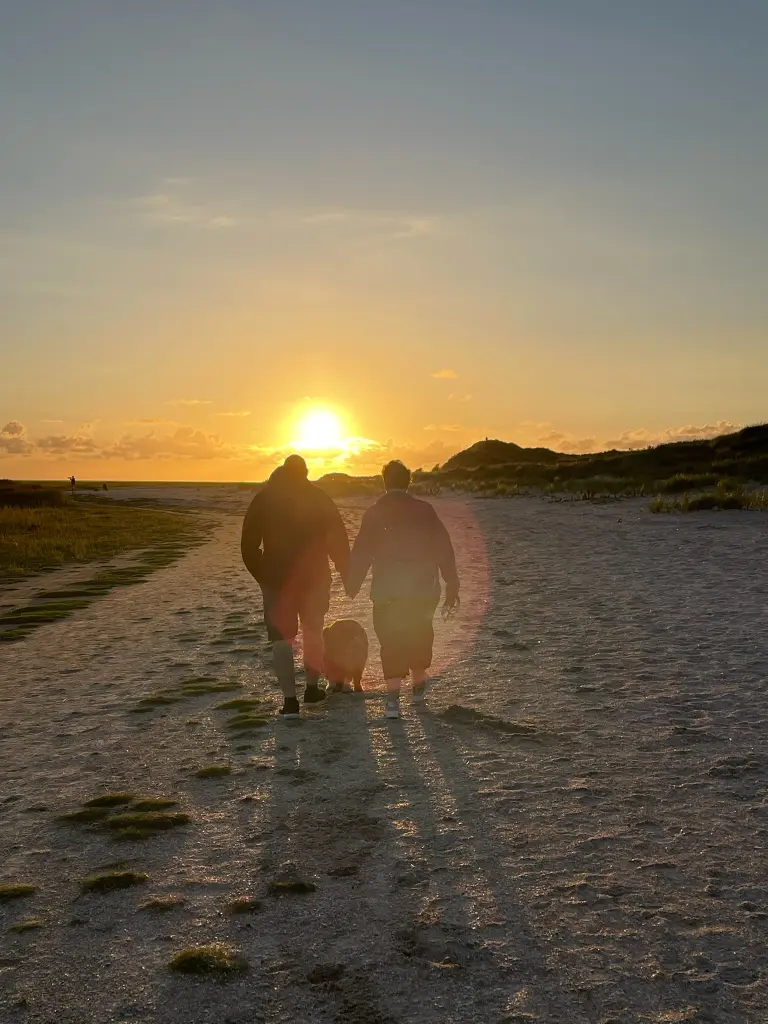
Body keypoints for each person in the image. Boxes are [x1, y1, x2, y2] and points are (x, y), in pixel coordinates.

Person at [346, 460, 459, 719]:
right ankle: (418, 695)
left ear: (384, 482)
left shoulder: (374, 512)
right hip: (423, 589)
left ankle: (393, 703)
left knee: (391, 641)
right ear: (408, 482)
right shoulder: (425, 510)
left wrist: (352, 584)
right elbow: (444, 548)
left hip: (388, 591)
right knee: (420, 634)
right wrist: (452, 583)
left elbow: (361, 552)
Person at [241, 454, 349, 718]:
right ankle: (311, 689)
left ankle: (290, 702)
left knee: (281, 640)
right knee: (313, 632)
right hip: (314, 577)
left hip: (277, 580)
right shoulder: (319, 497)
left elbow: (248, 546)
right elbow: (337, 538)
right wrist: (345, 569)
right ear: (305, 472)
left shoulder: (264, 499)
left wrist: (263, 574)